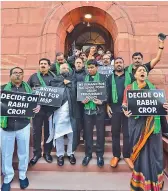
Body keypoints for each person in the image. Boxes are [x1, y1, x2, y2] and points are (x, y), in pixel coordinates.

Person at [122, 64, 168, 190]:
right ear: (135, 75)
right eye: (140, 70)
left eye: (144, 70)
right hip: (137, 126)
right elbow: (124, 104)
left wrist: (165, 107)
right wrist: (125, 111)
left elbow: (160, 106)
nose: (142, 71)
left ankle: (156, 183)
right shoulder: (129, 88)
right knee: (141, 153)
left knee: (155, 154)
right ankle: (140, 183)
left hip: (154, 127)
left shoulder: (155, 89)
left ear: (146, 75)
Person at [1, 67, 40, 191]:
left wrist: (37, 107)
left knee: (23, 153)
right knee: (7, 154)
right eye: (15, 73)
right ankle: (8, 177)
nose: (18, 75)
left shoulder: (29, 91)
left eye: (20, 73)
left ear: (23, 75)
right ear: (10, 75)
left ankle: (23, 175)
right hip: (6, 126)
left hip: (23, 125)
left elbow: (35, 104)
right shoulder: (2, 90)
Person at [47, 63, 77, 166]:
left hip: (71, 111)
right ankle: (60, 154)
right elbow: (51, 94)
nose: (65, 69)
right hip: (58, 111)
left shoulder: (73, 79)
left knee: (72, 134)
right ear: (59, 70)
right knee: (59, 134)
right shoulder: (55, 80)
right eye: (63, 68)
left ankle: (70, 153)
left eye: (66, 68)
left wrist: (68, 83)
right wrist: (64, 83)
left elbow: (77, 91)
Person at [107, 57, 134, 169]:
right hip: (114, 108)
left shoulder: (131, 76)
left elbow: (136, 91)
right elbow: (107, 92)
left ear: (124, 64)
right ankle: (116, 155)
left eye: (120, 62)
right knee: (115, 132)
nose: (118, 64)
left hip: (128, 108)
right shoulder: (109, 78)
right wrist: (107, 106)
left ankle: (127, 155)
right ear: (114, 65)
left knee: (127, 133)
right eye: (117, 63)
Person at [28, 58, 55, 165]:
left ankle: (47, 153)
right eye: (41, 64)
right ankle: (37, 153)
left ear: (49, 66)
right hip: (37, 109)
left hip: (49, 110)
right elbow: (27, 90)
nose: (43, 65)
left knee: (49, 132)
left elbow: (57, 93)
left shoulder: (54, 77)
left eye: (45, 64)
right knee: (36, 131)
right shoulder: (33, 77)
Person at [81, 59, 106, 167]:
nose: (90, 69)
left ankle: (100, 155)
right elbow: (80, 92)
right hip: (87, 110)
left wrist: (102, 101)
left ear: (97, 67)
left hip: (99, 110)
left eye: (92, 67)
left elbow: (107, 92)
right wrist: (82, 100)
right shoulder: (83, 78)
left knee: (100, 133)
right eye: (88, 67)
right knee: (88, 133)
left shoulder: (104, 78)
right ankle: (88, 154)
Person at [74, 58, 87, 144]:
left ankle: (86, 138)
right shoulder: (71, 73)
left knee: (86, 121)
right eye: (77, 63)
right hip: (75, 102)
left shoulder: (87, 73)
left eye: (80, 63)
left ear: (83, 64)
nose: (78, 64)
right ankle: (77, 139)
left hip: (86, 101)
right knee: (77, 121)